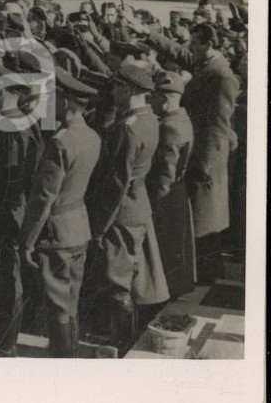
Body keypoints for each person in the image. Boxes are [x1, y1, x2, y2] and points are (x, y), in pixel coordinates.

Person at [136, 21, 240, 283]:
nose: (189, 48)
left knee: (205, 223)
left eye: (194, 43)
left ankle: (205, 277)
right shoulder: (205, 63)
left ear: (207, 44)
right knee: (200, 222)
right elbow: (180, 55)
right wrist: (149, 34)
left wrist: (205, 165)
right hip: (197, 152)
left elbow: (219, 125)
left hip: (206, 161)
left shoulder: (222, 76)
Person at [86, 60, 168, 353]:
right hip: (138, 206)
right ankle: (124, 337)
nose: (115, 93)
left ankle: (120, 341)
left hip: (121, 213)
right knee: (129, 275)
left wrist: (101, 225)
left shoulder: (128, 128)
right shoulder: (149, 120)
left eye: (119, 87)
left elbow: (117, 182)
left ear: (130, 89)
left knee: (117, 279)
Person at [18, 69, 101, 358]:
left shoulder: (60, 142)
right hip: (79, 227)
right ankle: (71, 356)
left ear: (66, 102)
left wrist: (27, 240)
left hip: (57, 234)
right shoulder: (92, 136)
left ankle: (63, 365)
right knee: (71, 301)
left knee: (58, 306)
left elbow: (44, 197)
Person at [0, 59, 42, 357]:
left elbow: (13, 182)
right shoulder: (16, 122)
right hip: (4, 211)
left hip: (8, 214)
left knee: (8, 279)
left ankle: (5, 345)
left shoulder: (13, 129)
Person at [146, 71, 196, 300]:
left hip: (165, 199)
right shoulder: (181, 119)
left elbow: (165, 175)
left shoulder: (169, 128)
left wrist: (154, 208)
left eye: (154, 96)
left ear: (165, 98)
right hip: (177, 195)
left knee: (166, 251)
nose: (150, 100)